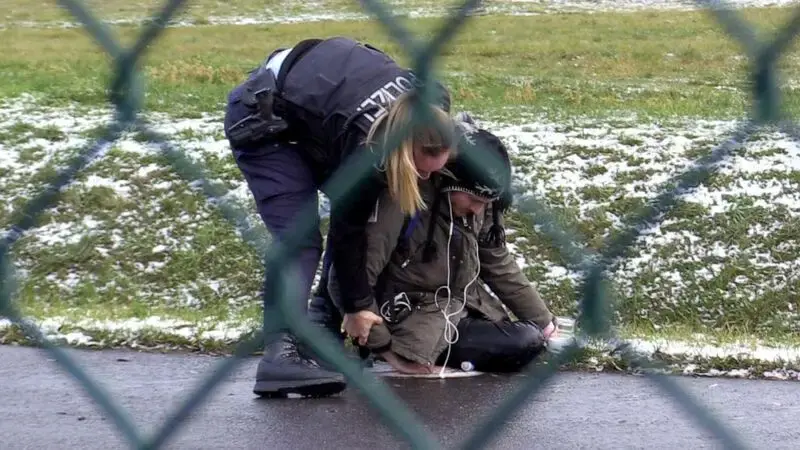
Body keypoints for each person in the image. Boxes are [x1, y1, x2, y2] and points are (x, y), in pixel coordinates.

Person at [223, 36, 456, 398]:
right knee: (300, 238)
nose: (426, 179)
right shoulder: (368, 150)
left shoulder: (434, 102)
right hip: (263, 118)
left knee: (379, 201)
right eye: (419, 170)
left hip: (318, 110)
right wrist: (358, 305)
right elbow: (349, 227)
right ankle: (278, 355)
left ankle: (321, 329)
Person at [325, 115, 559, 375]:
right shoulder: (403, 198)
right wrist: (385, 349)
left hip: (458, 307)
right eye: (473, 199)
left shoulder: (480, 202)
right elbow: (348, 278)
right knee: (523, 342)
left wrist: (545, 322)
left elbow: (497, 261)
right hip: (409, 317)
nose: (477, 210)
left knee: (533, 336)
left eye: (486, 203)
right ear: (448, 180)